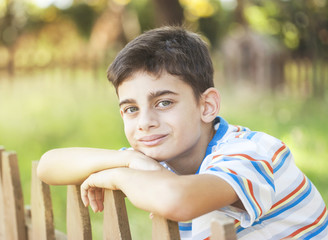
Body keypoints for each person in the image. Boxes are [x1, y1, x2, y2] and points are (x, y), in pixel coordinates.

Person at [37, 26, 328, 239]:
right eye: (130, 109)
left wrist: (117, 175)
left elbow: (178, 201)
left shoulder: (250, 152)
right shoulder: (154, 157)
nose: (145, 122)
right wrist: (128, 161)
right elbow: (49, 165)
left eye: (164, 103)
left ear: (207, 105)